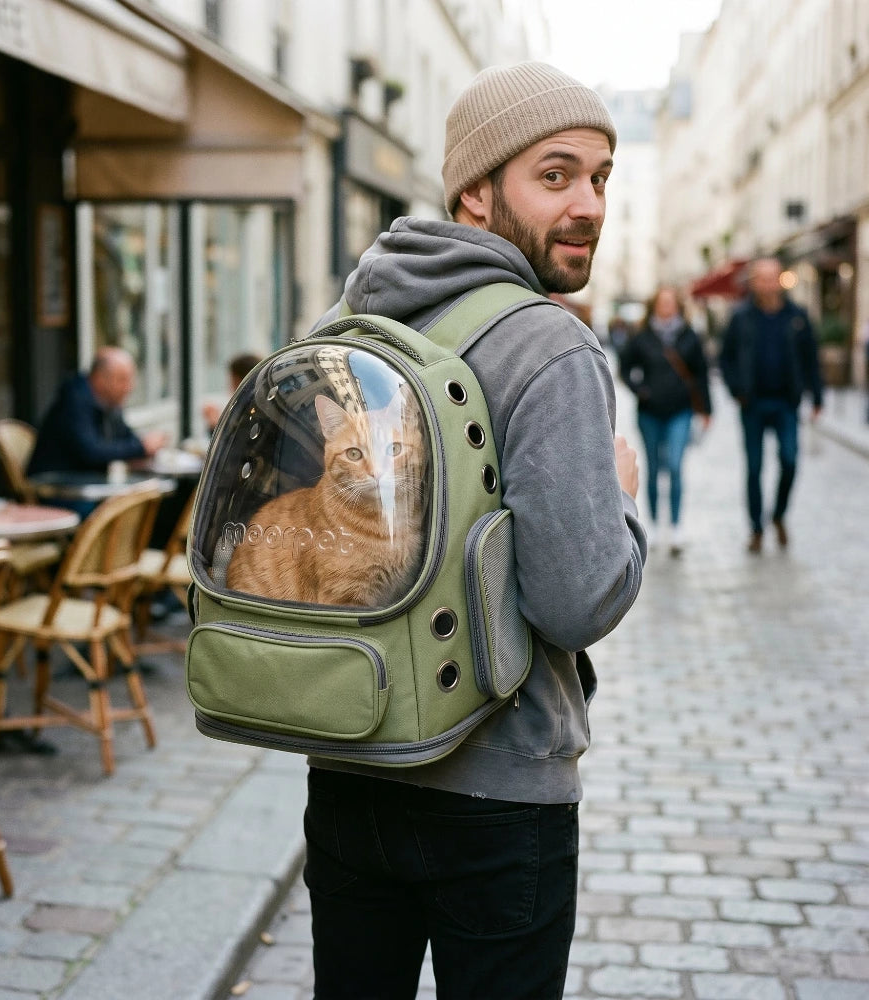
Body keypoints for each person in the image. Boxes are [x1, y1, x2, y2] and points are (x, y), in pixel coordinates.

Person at [302, 62, 646, 1000]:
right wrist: (621, 498)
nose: (588, 203)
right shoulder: (550, 344)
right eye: (556, 174)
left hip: (349, 763)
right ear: (477, 194)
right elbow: (577, 603)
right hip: (500, 798)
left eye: (601, 177)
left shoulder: (351, 319)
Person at [719, 257, 822, 553]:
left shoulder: (797, 316)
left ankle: (777, 515)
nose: (767, 284)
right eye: (761, 278)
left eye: (772, 277)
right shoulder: (741, 316)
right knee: (754, 468)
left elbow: (810, 359)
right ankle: (755, 529)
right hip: (752, 403)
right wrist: (736, 389)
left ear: (780, 279)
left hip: (786, 402)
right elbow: (725, 358)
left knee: (790, 461)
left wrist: (817, 397)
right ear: (754, 282)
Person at [619, 287, 712, 556]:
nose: (666, 308)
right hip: (649, 412)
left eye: (671, 303)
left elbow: (701, 373)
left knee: (674, 465)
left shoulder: (689, 336)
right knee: (652, 466)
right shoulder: (642, 336)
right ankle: (656, 526)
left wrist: (706, 409)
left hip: (680, 412)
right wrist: (641, 390)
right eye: (662, 303)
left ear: (678, 306)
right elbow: (624, 367)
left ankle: (676, 525)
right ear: (654, 306)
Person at [28, 346, 168, 476]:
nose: (129, 387)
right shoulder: (75, 401)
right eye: (122, 380)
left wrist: (145, 446)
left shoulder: (108, 403)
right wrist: (141, 447)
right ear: (100, 379)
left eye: (130, 380)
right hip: (59, 487)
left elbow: (125, 437)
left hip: (87, 484)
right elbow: (91, 452)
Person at [202, 352, 263, 434]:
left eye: (231, 378)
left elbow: (238, 440)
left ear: (237, 379)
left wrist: (214, 425)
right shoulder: (261, 401)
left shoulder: (250, 406)